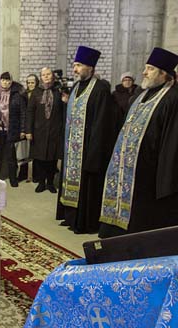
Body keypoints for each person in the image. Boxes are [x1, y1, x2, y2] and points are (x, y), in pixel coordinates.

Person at [99, 48, 178, 238]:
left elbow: (174, 142)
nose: (144, 72)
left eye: (150, 69)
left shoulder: (174, 99)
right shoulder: (141, 96)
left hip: (150, 171)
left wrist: (165, 180)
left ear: (164, 74)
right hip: (128, 166)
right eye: (145, 68)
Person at [59, 46, 123, 234]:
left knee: (87, 186)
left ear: (90, 67)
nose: (75, 69)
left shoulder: (101, 88)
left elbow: (103, 123)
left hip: (89, 149)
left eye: (79, 65)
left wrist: (93, 152)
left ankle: (83, 222)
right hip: (72, 148)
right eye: (74, 65)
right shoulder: (77, 87)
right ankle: (71, 216)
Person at [0, 72, 26, 187]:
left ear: (11, 81)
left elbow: (22, 113)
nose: (5, 83)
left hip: (11, 129)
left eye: (8, 80)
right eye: (3, 80)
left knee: (11, 156)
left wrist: (22, 130)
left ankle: (13, 178)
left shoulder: (17, 94)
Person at [25, 68, 64, 193]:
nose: (46, 76)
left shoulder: (58, 91)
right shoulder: (36, 92)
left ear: (52, 76)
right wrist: (28, 131)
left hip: (54, 130)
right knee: (40, 158)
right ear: (40, 77)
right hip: (39, 131)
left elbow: (64, 111)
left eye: (48, 74)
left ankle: (50, 183)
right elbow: (30, 112)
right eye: (43, 75)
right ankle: (41, 183)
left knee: (52, 159)